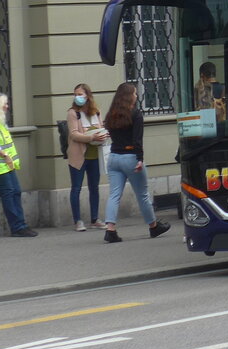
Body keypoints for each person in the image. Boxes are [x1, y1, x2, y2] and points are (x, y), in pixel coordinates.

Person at [102, 82, 170, 243]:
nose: (136, 96)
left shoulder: (111, 114)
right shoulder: (136, 114)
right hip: (130, 157)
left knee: (114, 195)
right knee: (142, 194)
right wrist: (140, 159)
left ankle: (110, 229)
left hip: (113, 158)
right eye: (134, 93)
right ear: (128, 96)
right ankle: (153, 226)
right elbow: (137, 140)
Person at [0, 92, 38, 237]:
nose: (7, 107)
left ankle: (21, 224)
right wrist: (5, 155)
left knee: (15, 192)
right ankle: (17, 227)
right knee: (9, 194)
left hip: (4, 164)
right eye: (5, 104)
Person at [66, 83, 108, 231]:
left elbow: (101, 127)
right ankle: (77, 220)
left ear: (88, 96)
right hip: (78, 155)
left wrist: (103, 135)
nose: (77, 97)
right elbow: (73, 134)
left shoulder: (96, 112)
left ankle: (95, 218)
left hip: (94, 155)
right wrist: (91, 137)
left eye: (80, 94)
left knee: (94, 187)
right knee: (76, 188)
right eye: (75, 94)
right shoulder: (73, 113)